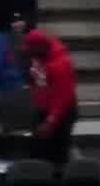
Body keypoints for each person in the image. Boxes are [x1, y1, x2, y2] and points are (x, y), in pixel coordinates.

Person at [24, 27, 78, 158]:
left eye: (32, 52)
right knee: (38, 148)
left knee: (57, 152)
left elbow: (62, 98)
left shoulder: (60, 65)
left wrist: (50, 121)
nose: (30, 56)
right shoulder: (44, 52)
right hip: (45, 107)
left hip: (62, 111)